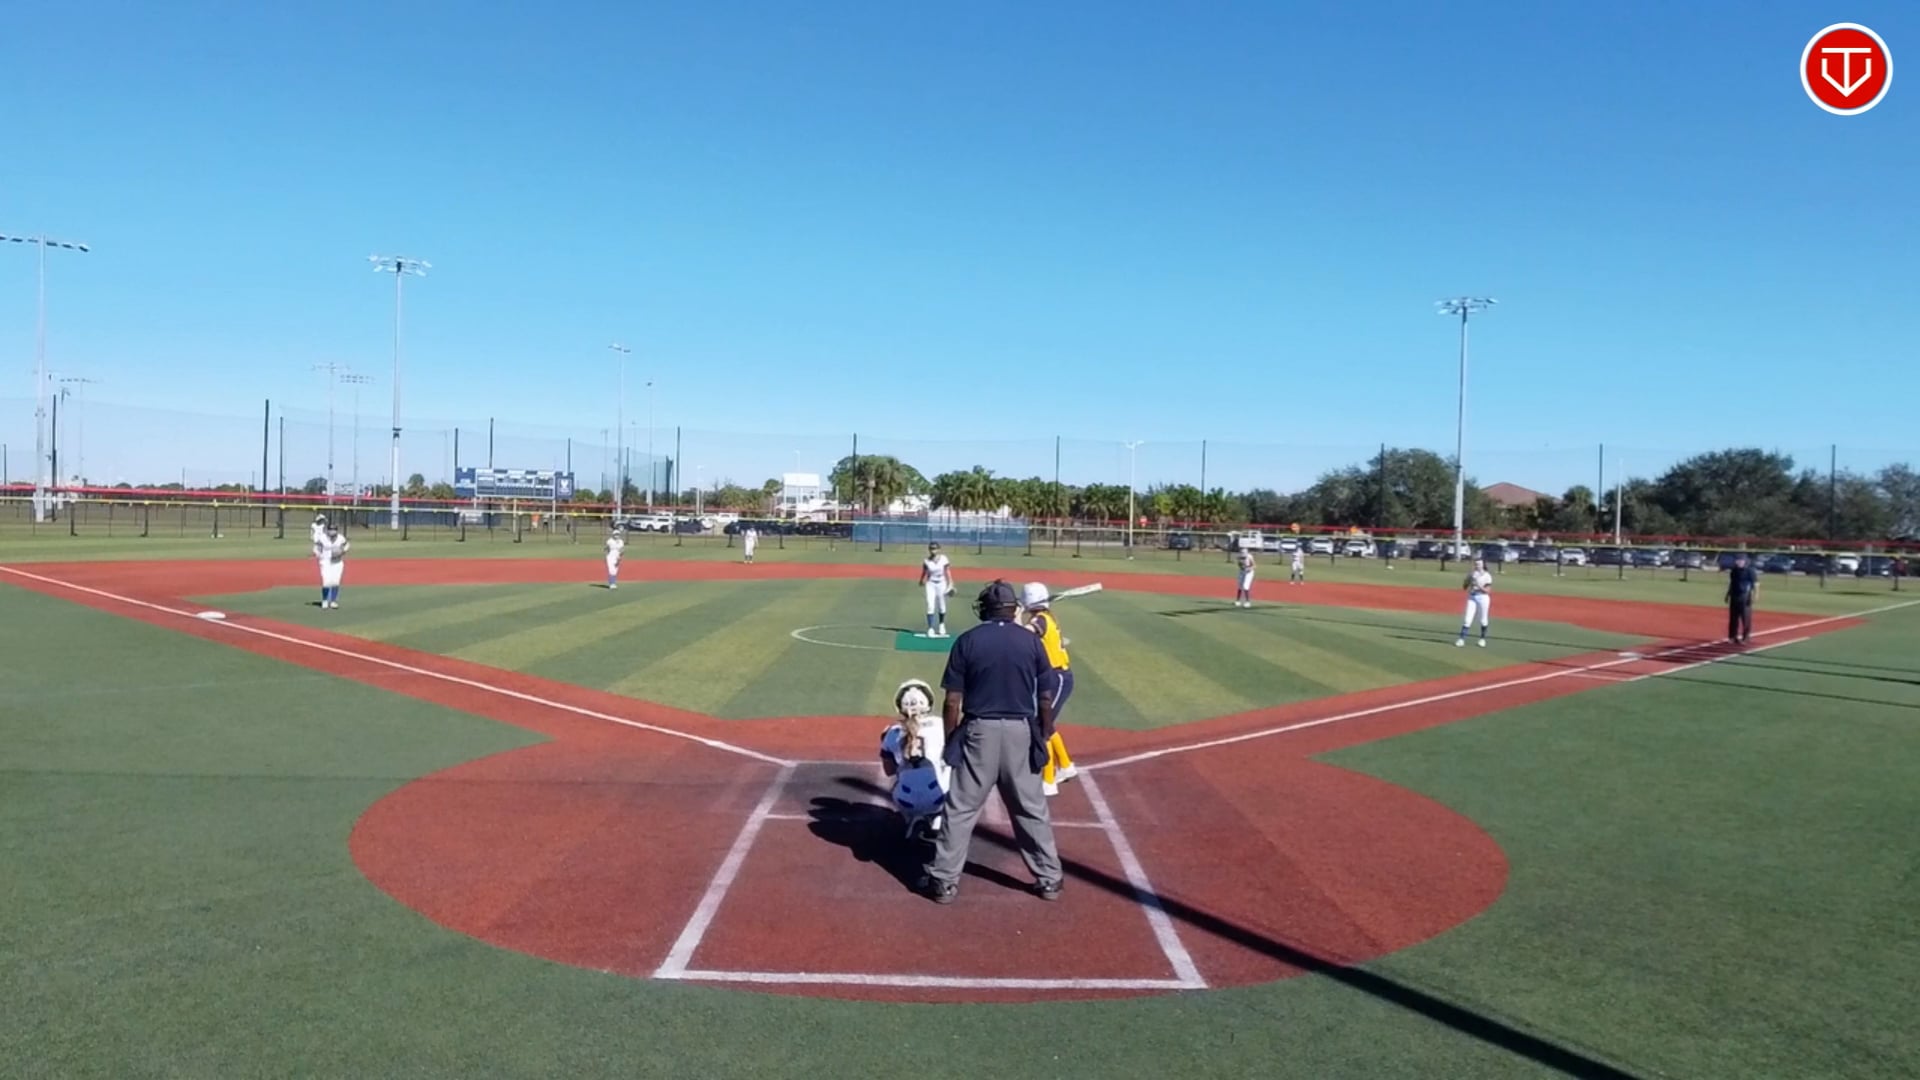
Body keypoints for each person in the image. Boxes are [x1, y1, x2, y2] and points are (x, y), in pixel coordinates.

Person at [916, 580, 1062, 905]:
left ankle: (944, 882)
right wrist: (1044, 732)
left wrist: (952, 739)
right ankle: (1049, 879)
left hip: (978, 732)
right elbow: (1046, 696)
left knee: (961, 809)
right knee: (1030, 808)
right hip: (1021, 731)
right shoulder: (1031, 641)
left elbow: (952, 700)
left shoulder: (968, 641)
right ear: (1013, 609)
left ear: (985, 608)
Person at [1017, 583, 1079, 797]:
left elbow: (1023, 634)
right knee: (1047, 725)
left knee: (1042, 726)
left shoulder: (1040, 620)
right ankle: (1066, 765)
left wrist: (1017, 615)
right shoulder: (1044, 617)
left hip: (1057, 677)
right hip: (1051, 677)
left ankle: (1049, 780)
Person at [878, 679, 950, 839]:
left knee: (900, 777)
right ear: (928, 703)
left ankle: (910, 818)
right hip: (938, 798)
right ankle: (937, 818)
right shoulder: (941, 725)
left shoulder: (891, 733)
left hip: (905, 800)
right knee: (951, 766)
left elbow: (889, 771)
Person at [919, 541, 954, 637]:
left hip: (942, 583)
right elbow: (924, 572)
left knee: (942, 605)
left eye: (935, 548)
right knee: (930, 605)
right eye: (931, 548)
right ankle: (930, 628)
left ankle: (941, 625)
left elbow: (947, 571)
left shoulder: (944, 559)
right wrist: (921, 580)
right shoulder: (926, 561)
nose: (933, 550)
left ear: (938, 549)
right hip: (930, 584)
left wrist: (951, 583)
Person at [1457, 558, 1493, 647]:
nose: (1477, 566)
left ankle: (1482, 639)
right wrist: (1467, 581)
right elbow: (1464, 587)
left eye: (1479, 564)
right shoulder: (1472, 574)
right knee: (1467, 619)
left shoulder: (1487, 576)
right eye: (1476, 564)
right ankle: (1461, 639)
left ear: (1483, 565)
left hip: (1483, 598)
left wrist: (1478, 584)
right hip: (1472, 597)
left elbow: (1487, 591)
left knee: (1483, 619)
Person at [313, 523, 350, 609]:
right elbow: (315, 548)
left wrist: (342, 551)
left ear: (336, 530)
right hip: (325, 562)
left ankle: (333, 601)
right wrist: (319, 555)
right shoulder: (323, 538)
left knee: (335, 581)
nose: (332, 531)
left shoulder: (340, 538)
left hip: (337, 562)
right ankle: (325, 600)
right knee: (326, 581)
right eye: (330, 529)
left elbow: (347, 545)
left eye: (334, 529)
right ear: (327, 530)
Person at [1726, 553, 1759, 644]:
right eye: (1737, 560)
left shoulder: (1750, 571)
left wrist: (1755, 595)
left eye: (1740, 560)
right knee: (1733, 618)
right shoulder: (1734, 571)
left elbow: (1756, 584)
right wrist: (1728, 594)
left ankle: (1746, 637)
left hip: (1745, 596)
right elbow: (1732, 583)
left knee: (1745, 618)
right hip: (1734, 595)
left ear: (1745, 561)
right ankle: (1732, 636)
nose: (1738, 562)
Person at [603, 524, 625, 589]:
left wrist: (620, 557)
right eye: (615, 534)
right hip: (610, 557)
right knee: (611, 570)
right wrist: (605, 555)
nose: (617, 536)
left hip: (617, 557)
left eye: (618, 534)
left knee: (615, 571)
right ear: (613, 535)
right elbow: (606, 549)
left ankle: (613, 583)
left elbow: (622, 549)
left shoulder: (621, 541)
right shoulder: (609, 541)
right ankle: (611, 584)